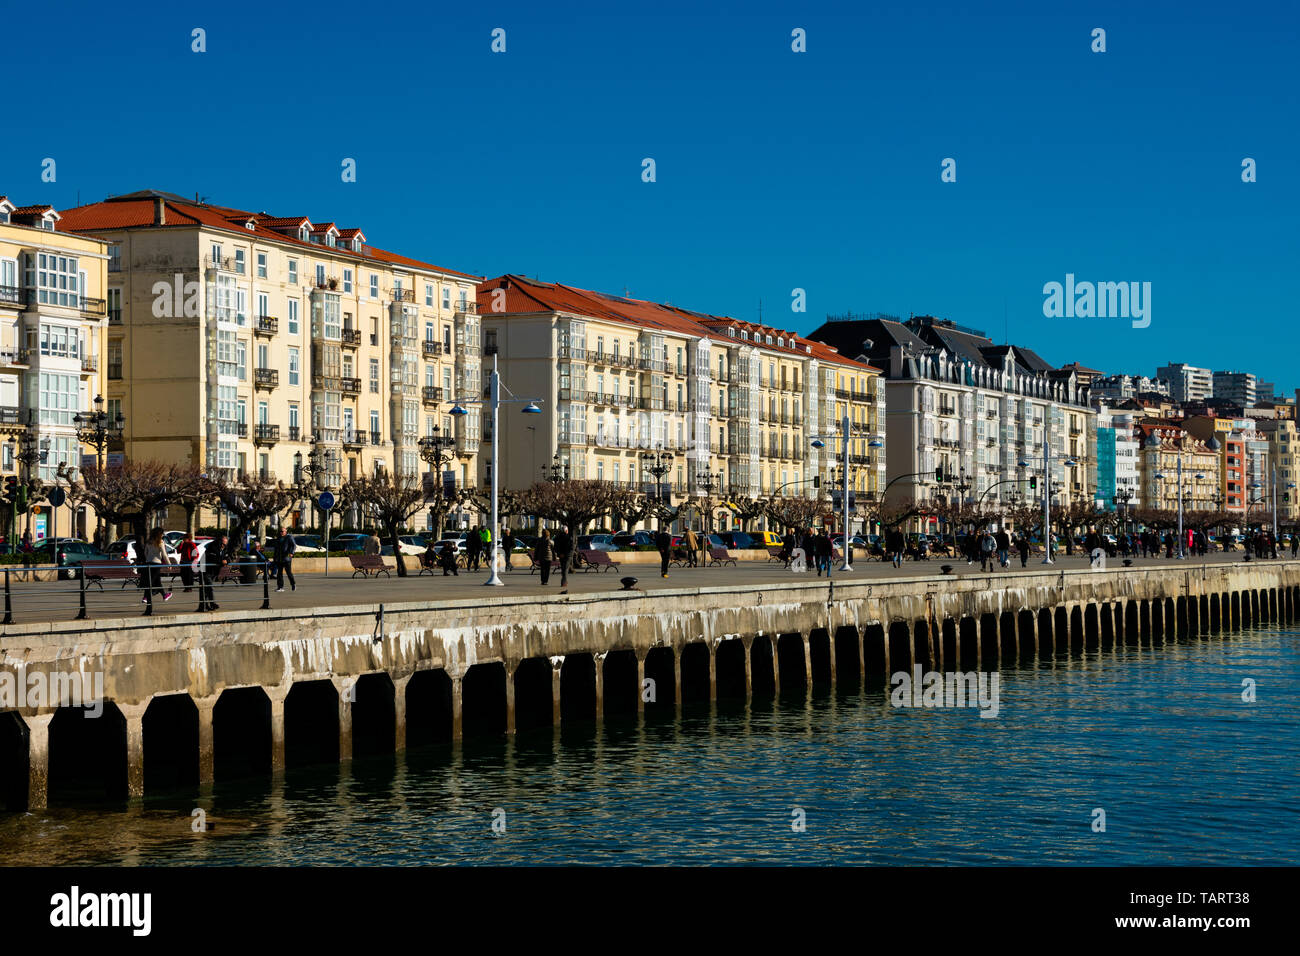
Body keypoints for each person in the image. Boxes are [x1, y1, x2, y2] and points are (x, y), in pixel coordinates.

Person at [142, 527, 173, 604]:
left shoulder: (148, 542)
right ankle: (146, 597)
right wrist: (169, 564)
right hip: (157, 563)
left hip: (148, 563)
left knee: (156, 580)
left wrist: (148, 559)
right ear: (159, 534)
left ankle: (164, 595)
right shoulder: (160, 542)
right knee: (151, 581)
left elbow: (145, 553)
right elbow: (164, 555)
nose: (163, 535)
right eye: (162, 534)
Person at [198, 533, 227, 611]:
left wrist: (226, 560)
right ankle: (212, 603)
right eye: (223, 544)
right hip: (204, 570)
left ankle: (205, 605)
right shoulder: (212, 546)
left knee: (206, 589)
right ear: (220, 542)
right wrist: (222, 561)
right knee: (209, 587)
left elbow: (225, 557)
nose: (224, 546)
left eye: (225, 544)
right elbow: (213, 558)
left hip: (212, 571)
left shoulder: (224, 549)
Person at [273, 527, 297, 592]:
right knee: (279, 573)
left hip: (286, 559)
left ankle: (293, 584)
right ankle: (280, 587)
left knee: (288, 573)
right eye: (280, 531)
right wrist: (274, 557)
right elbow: (276, 549)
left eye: (282, 531)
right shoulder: (278, 538)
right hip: (279, 559)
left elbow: (294, 545)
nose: (281, 532)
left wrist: (291, 553)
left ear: (285, 532)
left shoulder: (289, 537)